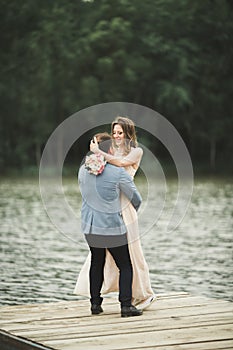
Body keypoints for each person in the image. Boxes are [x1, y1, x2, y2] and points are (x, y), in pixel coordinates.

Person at [74, 116, 156, 310]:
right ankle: (122, 302)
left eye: (120, 133)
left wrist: (97, 153)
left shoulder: (136, 152)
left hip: (121, 207)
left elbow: (119, 165)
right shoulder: (102, 157)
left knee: (132, 254)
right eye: (114, 133)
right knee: (109, 259)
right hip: (109, 208)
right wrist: (98, 154)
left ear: (128, 133)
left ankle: (137, 293)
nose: (117, 136)